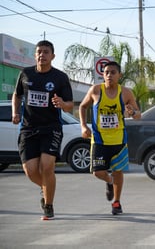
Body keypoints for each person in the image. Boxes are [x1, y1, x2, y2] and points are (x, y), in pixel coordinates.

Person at [12, 40, 74, 220]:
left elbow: (70, 105)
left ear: (52, 56)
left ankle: (48, 205)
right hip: (28, 128)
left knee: (47, 166)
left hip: (51, 128)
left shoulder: (60, 77)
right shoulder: (25, 73)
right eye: (39, 52)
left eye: (46, 52)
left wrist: (62, 104)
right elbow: (17, 95)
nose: (42, 55)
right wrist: (16, 112)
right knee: (30, 171)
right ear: (35, 55)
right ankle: (46, 188)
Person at [79, 61, 141, 215]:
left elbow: (138, 116)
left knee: (118, 171)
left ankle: (117, 202)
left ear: (119, 75)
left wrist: (131, 111)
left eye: (113, 72)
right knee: (98, 172)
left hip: (119, 140)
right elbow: (82, 106)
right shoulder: (95, 90)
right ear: (103, 75)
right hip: (99, 140)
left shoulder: (126, 93)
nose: (109, 75)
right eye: (106, 72)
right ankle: (109, 181)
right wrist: (83, 126)